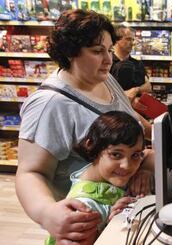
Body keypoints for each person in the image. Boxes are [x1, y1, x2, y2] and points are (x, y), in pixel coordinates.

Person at [16, 9, 154, 245]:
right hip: (87, 226)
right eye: (97, 51)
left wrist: (141, 167)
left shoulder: (106, 79)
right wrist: (47, 213)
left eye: (109, 50)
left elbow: (129, 127)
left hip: (120, 213)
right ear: (70, 52)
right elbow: (30, 172)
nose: (109, 60)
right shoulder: (50, 104)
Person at [46, 111, 145, 245]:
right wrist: (112, 227)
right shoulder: (83, 208)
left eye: (135, 155)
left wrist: (146, 171)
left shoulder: (97, 173)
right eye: (116, 154)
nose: (126, 166)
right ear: (92, 146)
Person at [110, 25, 151, 102]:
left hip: (135, 111)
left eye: (133, 40)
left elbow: (148, 87)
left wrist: (136, 90)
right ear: (116, 40)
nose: (132, 43)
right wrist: (124, 95)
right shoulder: (107, 62)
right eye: (128, 39)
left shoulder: (138, 64)